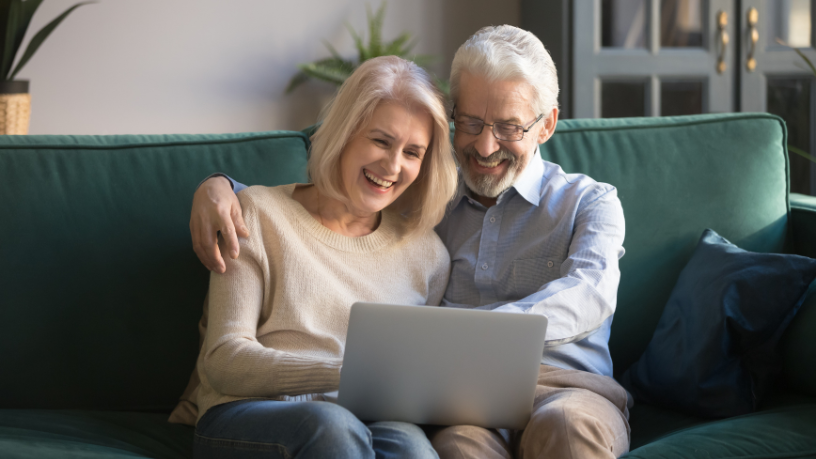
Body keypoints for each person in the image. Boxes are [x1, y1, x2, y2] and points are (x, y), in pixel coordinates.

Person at [190, 26, 631, 459]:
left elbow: (590, 293)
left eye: (509, 127)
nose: (485, 144)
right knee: (454, 447)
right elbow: (317, 214)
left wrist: (485, 336)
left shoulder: (588, 203)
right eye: (472, 122)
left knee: (564, 430)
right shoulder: (428, 210)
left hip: (566, 390)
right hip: (465, 403)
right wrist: (220, 186)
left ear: (547, 124)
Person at [185, 55, 458, 459]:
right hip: (244, 415)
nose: (393, 165)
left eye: (413, 152)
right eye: (381, 141)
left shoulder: (428, 255)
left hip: (362, 420)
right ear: (345, 133)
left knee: (412, 446)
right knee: (332, 427)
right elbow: (223, 360)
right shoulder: (256, 214)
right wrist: (343, 374)